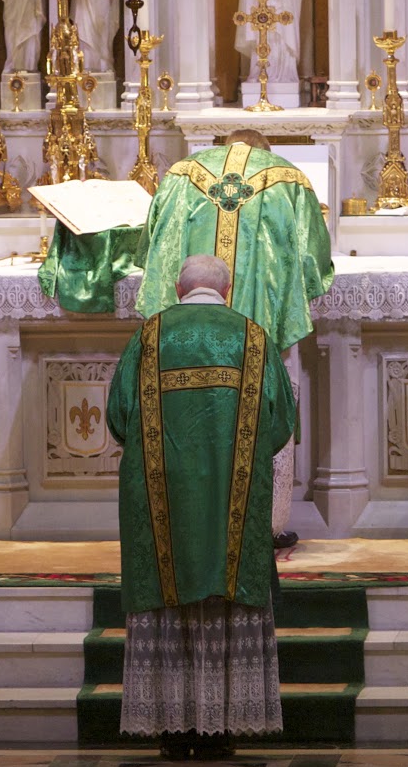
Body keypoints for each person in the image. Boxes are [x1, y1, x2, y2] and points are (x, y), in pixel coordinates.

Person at [107, 256, 297, 760]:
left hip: (162, 500)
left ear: (177, 288)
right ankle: (221, 729)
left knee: (167, 587)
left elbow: (119, 417)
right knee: (226, 588)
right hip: (233, 502)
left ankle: (172, 731)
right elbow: (281, 424)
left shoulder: (148, 338)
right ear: (227, 290)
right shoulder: (253, 339)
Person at [137, 128, 333, 547]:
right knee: (265, 410)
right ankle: (266, 527)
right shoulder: (289, 177)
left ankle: (186, 525)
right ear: (264, 151)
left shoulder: (182, 174)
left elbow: (152, 250)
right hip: (263, 329)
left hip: (186, 337)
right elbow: (314, 264)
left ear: (223, 146)